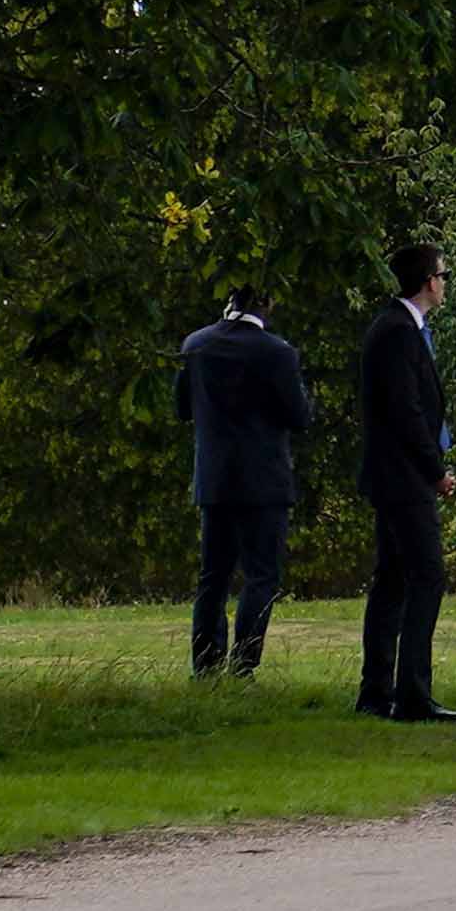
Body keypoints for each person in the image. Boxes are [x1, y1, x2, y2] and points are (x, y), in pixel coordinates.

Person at [175, 288, 311, 680]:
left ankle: (205, 665)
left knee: (213, 575)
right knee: (261, 575)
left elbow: (182, 408)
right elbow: (299, 416)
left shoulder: (196, 346)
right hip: (264, 479)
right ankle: (243, 664)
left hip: (215, 477)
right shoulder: (278, 352)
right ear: (267, 304)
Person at [354, 241, 456, 722]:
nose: (444, 284)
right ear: (428, 281)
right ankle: (412, 693)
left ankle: (377, 691)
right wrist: (435, 470)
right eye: (442, 275)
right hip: (404, 477)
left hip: (395, 474)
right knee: (426, 575)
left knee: (393, 579)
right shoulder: (397, 332)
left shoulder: (398, 328)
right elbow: (406, 411)